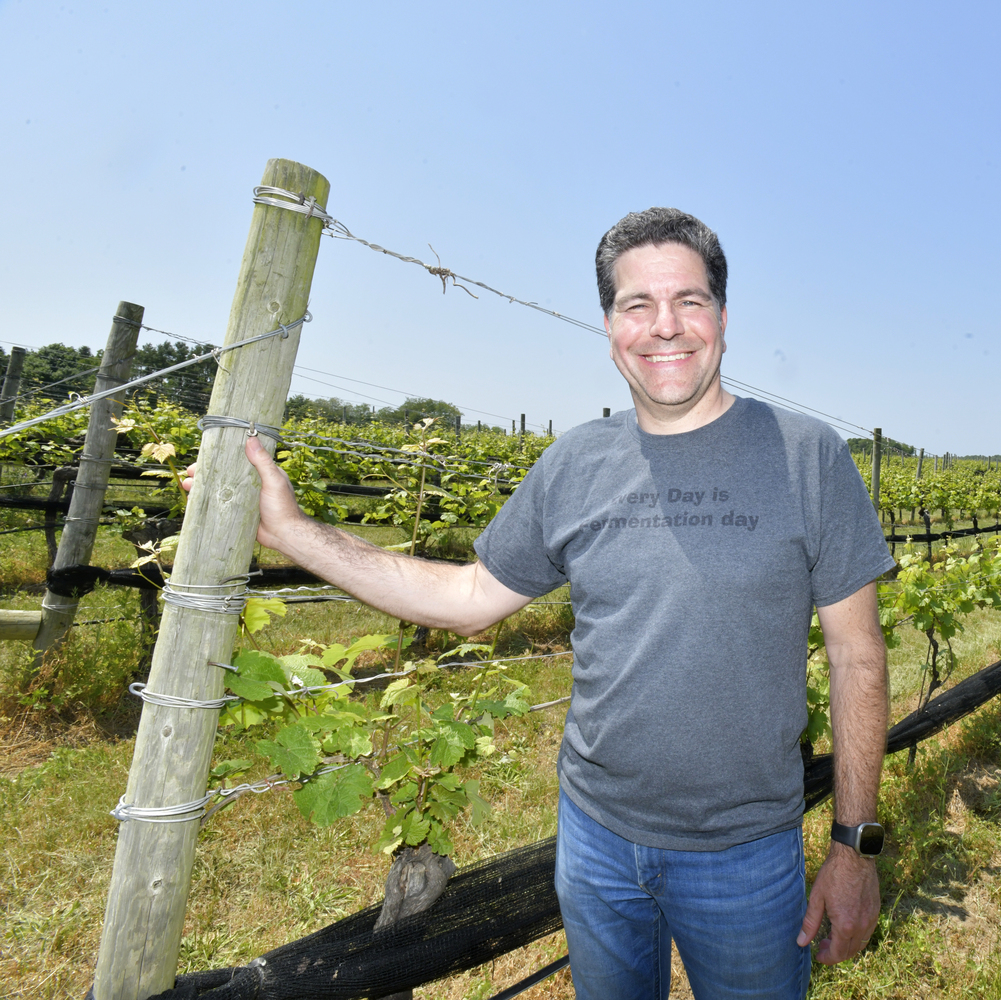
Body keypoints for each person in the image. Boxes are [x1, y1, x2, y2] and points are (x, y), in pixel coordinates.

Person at [191, 208, 893, 999]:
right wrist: (294, 534)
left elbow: (857, 655)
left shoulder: (809, 458)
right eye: (638, 305)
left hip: (745, 852)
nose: (666, 327)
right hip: (595, 842)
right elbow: (466, 597)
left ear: (723, 318)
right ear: (609, 327)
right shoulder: (575, 464)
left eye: (689, 302)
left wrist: (853, 846)